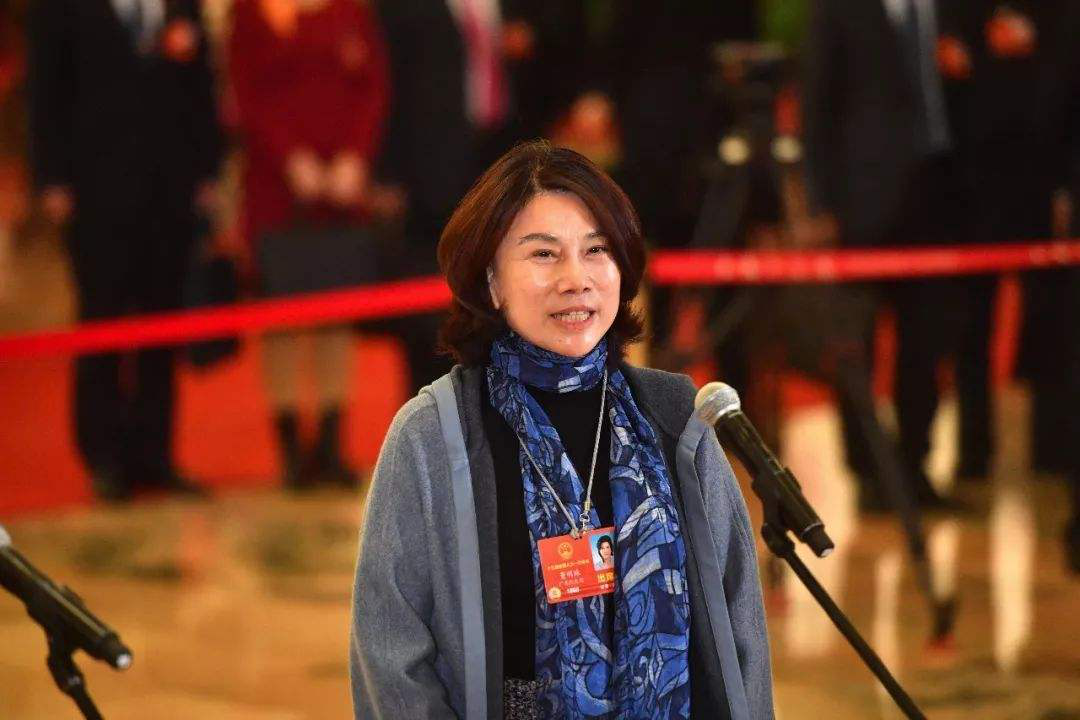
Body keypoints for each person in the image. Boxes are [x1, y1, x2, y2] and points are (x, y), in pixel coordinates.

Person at [350, 141, 773, 718]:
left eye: (596, 250)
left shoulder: (677, 421)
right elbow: (391, 652)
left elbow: (740, 632)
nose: (576, 278)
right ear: (491, 280)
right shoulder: (432, 436)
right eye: (544, 254)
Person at [27, 0, 222, 501]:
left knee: (163, 324)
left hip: (170, 188)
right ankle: (104, 458)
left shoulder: (182, 5)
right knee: (102, 321)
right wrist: (51, 178)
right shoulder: (61, 9)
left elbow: (201, 84)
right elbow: (45, 89)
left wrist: (208, 168)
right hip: (94, 190)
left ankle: (155, 454)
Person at [803, 0, 968, 509]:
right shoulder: (836, 10)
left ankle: (915, 467)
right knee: (857, 345)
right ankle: (870, 474)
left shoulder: (950, 11)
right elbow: (817, 104)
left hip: (940, 195)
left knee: (928, 339)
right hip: (862, 203)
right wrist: (821, 203)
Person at [227, 0, 389, 490]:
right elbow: (246, 93)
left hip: (340, 187)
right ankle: (292, 451)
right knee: (280, 314)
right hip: (276, 187)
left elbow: (373, 84)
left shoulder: (350, 9)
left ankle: (331, 445)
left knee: (336, 314)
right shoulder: (252, 11)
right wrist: (290, 159)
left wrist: (355, 156)